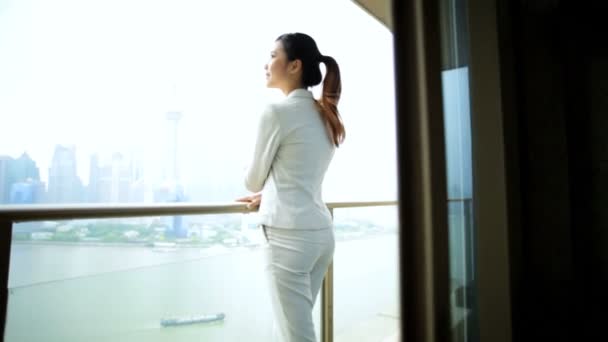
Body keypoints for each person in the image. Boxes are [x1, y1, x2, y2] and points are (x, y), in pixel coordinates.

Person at [236, 32, 344, 342]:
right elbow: (300, 173)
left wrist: (259, 178)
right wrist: (270, 192)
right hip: (320, 236)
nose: (266, 64)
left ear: (294, 65)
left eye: (273, 56)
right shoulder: (324, 114)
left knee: (296, 336)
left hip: (288, 240)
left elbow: (252, 178)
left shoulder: (276, 113)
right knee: (290, 330)